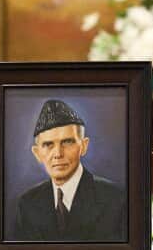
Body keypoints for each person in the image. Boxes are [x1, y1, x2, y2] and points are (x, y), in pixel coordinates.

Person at [12, 99, 125, 242]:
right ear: (37, 153)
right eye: (48, 144)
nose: (58, 154)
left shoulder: (115, 199)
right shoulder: (27, 204)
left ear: (83, 146)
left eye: (67, 142)